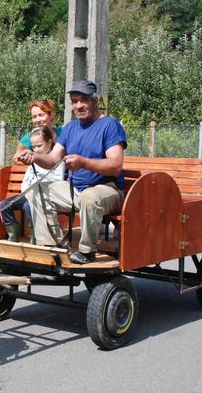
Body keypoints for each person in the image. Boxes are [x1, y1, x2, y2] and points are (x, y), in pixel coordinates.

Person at [19, 80, 126, 264]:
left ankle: (86, 251)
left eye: (83, 100)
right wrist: (34, 157)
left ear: (95, 101)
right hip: (76, 190)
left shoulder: (110, 125)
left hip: (108, 189)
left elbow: (115, 166)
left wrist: (83, 163)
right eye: (74, 101)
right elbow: (52, 159)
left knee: (90, 197)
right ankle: (55, 247)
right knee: (36, 190)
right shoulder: (70, 128)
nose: (79, 105)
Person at [0, 126, 66, 242]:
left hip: (45, 196)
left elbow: (57, 181)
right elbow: (27, 180)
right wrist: (26, 192)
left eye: (39, 146)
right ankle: (13, 235)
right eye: (33, 147)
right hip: (29, 194)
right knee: (4, 204)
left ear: (49, 142)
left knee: (27, 205)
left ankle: (35, 237)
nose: (36, 150)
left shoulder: (57, 160)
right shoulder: (33, 160)